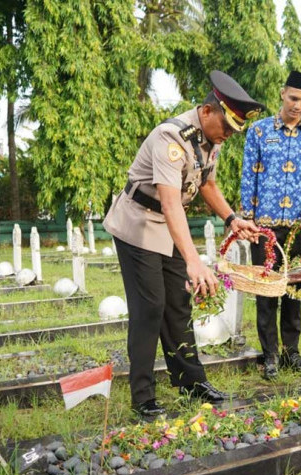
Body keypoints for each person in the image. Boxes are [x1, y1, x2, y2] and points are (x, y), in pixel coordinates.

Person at [104, 71, 262, 417]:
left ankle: (191, 382)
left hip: (166, 224)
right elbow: (171, 202)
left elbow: (206, 184)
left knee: (178, 303)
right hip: (138, 224)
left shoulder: (209, 141)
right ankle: (142, 396)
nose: (229, 137)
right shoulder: (170, 138)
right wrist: (194, 261)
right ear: (207, 112)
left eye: (235, 131)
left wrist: (232, 219)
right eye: (227, 127)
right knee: (150, 308)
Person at [240, 70, 301, 380]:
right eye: (293, 98)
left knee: (294, 292)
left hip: (297, 228)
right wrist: (246, 218)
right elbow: (248, 176)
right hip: (263, 227)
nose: (298, 105)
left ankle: (293, 354)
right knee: (267, 294)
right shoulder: (259, 132)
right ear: (282, 94)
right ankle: (270, 356)